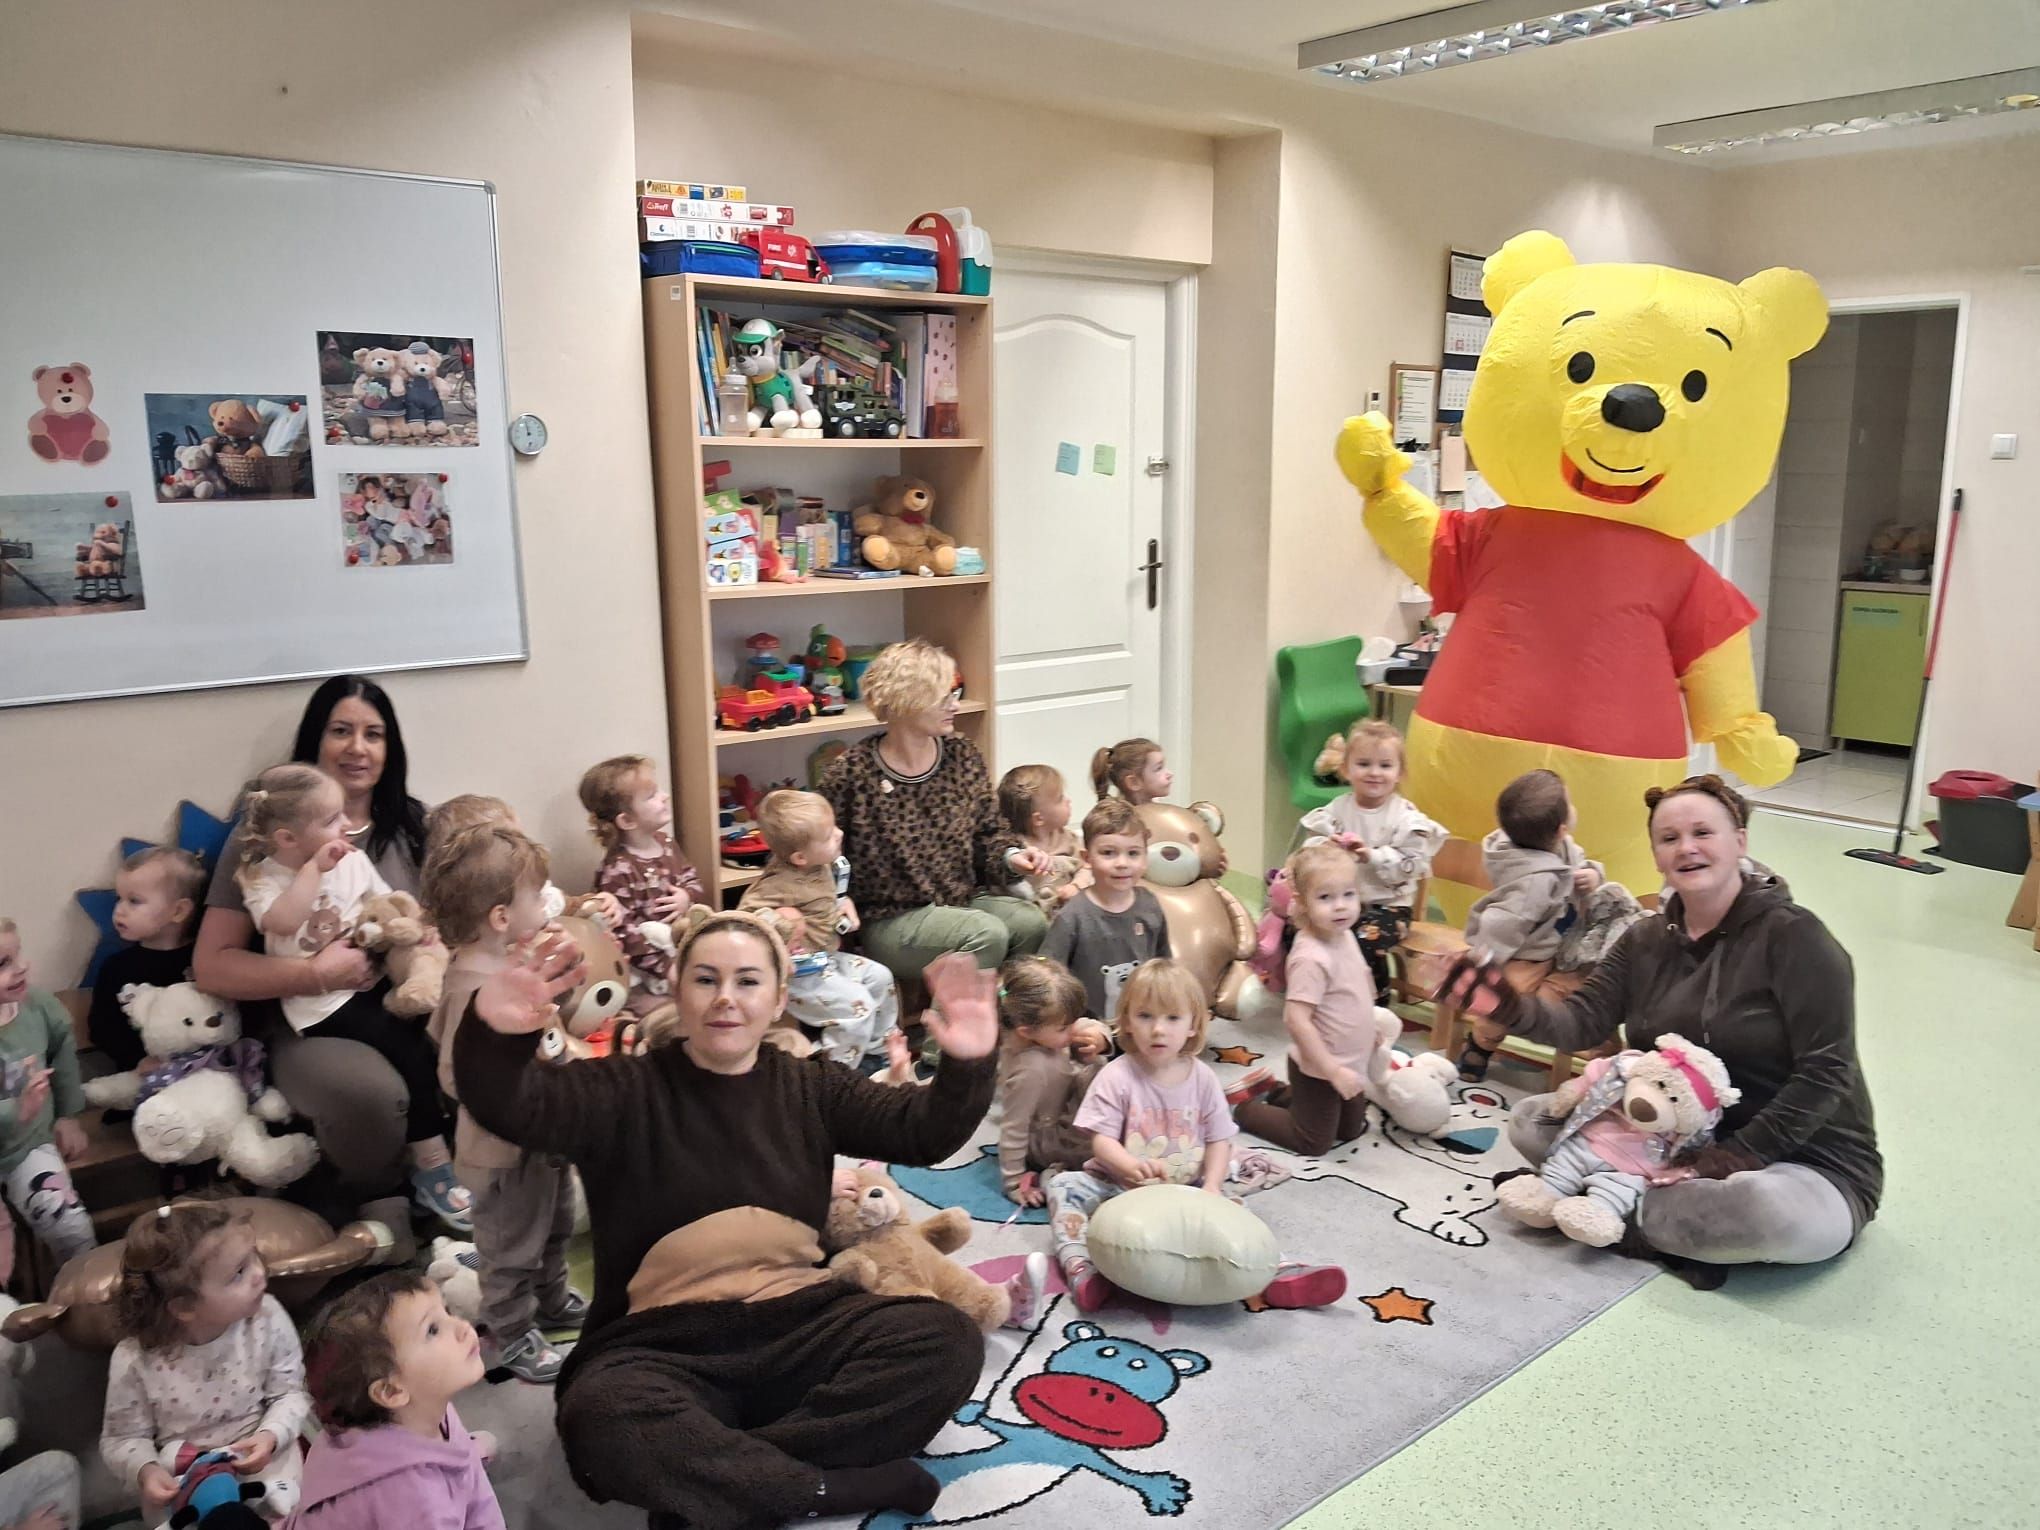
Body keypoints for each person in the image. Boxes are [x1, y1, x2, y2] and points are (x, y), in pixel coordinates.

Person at [452, 911, 1000, 1528]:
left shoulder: (811, 1085)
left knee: (946, 1340)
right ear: (678, 989)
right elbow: (513, 1104)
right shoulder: (620, 1089)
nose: (726, 999)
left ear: (779, 1000)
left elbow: (919, 1131)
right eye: (706, 979)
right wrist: (493, 1031)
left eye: (748, 981)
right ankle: (820, 1487)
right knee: (601, 1418)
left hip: (800, 1318)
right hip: (660, 1343)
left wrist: (968, 1064)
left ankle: (719, 1482)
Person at [1440, 775, 1881, 1267]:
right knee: (1531, 1121)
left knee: (1773, 1214)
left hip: (1802, 1156)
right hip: (1669, 1139)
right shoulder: (1644, 939)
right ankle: (1626, 1205)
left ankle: (1608, 1204)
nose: (1686, 848)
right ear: (1656, 857)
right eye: (1669, 838)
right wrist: (1506, 1007)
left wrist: (1727, 1159)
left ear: (1740, 841)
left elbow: (1827, 1073)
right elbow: (1581, 1022)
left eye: (1703, 833)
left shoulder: (1796, 937)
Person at [192, 675, 431, 1253]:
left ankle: (477, 1197)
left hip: (397, 997)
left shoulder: (411, 826)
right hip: (308, 1019)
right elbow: (213, 966)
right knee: (370, 1092)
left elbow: (436, 923)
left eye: (374, 734)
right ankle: (384, 1219)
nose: (358, 748)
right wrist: (315, 973)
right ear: (314, 741)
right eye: (341, 731)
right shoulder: (262, 843)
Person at [234, 765, 465, 1230]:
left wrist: (415, 928)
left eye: (343, 814)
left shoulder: (353, 860)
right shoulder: (260, 877)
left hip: (372, 979)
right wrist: (313, 870)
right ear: (286, 838)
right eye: (331, 820)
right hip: (319, 1007)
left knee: (436, 1032)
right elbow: (282, 922)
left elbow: (387, 902)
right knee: (405, 1046)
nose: (346, 825)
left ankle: (464, 1147)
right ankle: (432, 1163)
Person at [1046, 959, 1347, 1314]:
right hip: (1118, 1187)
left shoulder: (1202, 1078)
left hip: (1189, 1190)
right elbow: (1101, 1141)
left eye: (1173, 1018)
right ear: (1125, 1021)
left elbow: (1220, 1140)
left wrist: (1214, 1186)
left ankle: (1277, 1272)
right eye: (1145, 1016)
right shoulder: (1116, 1076)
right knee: (1063, 1186)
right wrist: (1128, 1165)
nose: (1158, 1030)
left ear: (1193, 1025)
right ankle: (1082, 1266)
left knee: (1236, 1215)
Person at [420, 823, 584, 1385]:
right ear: (500, 917)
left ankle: (553, 1301)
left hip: (543, 1139)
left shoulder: (505, 967)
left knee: (557, 1226)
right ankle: (511, 1333)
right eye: (536, 895)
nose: (546, 901)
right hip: (502, 1150)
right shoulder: (470, 986)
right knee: (511, 1247)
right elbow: (455, 1073)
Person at [820, 639, 1048, 979]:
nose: (955, 705)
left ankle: (1009, 1010)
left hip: (959, 902)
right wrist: (835, 899)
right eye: (944, 698)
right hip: (889, 919)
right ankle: (956, 1016)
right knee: (987, 934)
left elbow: (989, 832)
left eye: (955, 694)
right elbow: (817, 850)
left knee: (1031, 923)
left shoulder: (962, 754)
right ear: (907, 701)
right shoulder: (852, 773)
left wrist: (1011, 857)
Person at [101, 1202, 311, 1524]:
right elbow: (122, 1438)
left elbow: (290, 1393)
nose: (259, 1273)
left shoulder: (267, 1316)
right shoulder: (134, 1360)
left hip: (261, 1455)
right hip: (186, 1474)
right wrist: (146, 1470)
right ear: (184, 1307)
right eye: (238, 1273)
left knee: (291, 1512)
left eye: (254, 1256)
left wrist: (271, 1436)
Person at [290, 1271, 504, 1530]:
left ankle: (453, 1463)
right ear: (391, 1392)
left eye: (446, 1311)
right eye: (432, 1330)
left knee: (464, 1462)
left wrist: (464, 1464)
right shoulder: (416, 1501)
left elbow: (481, 1505)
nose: (462, 1327)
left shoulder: (425, 1404)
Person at [1457, 768, 1609, 1082]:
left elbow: (1579, 862)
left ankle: (1604, 1061)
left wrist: (1593, 874)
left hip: (1564, 945)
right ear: (1561, 828)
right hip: (1526, 955)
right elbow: (1501, 924)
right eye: (1570, 802)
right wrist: (1486, 965)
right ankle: (1479, 1045)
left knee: (1590, 992)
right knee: (1505, 1004)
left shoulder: (1558, 845)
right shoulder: (1532, 884)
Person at [1234, 843, 1383, 1155]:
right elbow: (1296, 1020)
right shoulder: (1310, 957)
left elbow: (1358, 983)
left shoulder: (1344, 935)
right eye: (1325, 897)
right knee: (1313, 1142)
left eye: (1348, 894)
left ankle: (1279, 1093)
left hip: (1350, 1060)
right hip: (1319, 1068)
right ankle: (1245, 1110)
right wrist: (1332, 1071)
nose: (1340, 906)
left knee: (1351, 1129)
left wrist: (1371, 1027)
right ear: (1301, 902)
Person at [737, 790, 899, 1067]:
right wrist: (780, 922)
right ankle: (830, 1071)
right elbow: (744, 920)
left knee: (880, 977)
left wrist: (842, 903)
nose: (839, 834)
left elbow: (825, 898)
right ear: (800, 857)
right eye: (828, 836)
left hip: (825, 958)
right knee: (856, 1006)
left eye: (834, 826)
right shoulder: (778, 883)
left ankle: (876, 1053)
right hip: (796, 974)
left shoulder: (820, 864)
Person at [1295, 719, 1444, 993]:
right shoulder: (1337, 809)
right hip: (1339, 901)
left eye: (1385, 765)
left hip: (1389, 907)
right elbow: (1310, 851)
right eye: (1363, 764)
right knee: (1302, 931)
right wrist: (1326, 846)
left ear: (1399, 773)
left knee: (1363, 940)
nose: (1374, 773)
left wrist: (1370, 856)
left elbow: (1411, 864)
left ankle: (1372, 1000)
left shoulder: (1405, 817)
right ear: (1346, 769)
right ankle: (1319, 993)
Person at [0, 917, 96, 1269]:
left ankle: (82, 1292)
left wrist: (68, 1116)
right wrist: (17, 1112)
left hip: (28, 1148)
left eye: (17, 954)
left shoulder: (37, 1006)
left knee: (72, 1228)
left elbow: (62, 1053)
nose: (21, 967)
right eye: (3, 963)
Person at [580, 755, 704, 1013]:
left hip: (680, 947)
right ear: (627, 820)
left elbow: (691, 877)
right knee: (663, 1013)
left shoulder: (666, 843)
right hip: (645, 969)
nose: (665, 796)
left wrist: (686, 896)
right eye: (651, 795)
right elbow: (625, 934)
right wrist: (665, 967)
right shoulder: (618, 870)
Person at [993, 956, 1111, 1208]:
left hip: (1069, 1112)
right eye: (1063, 1028)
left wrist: (1099, 1036)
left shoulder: (1050, 1028)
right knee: (1100, 1072)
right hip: (1048, 1141)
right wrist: (1014, 1182)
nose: (1074, 1029)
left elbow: (1087, 1024)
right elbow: (1014, 1128)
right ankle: (1062, 1173)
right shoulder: (1030, 1070)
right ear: (1026, 1031)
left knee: (1101, 1067)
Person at [1041, 799, 1173, 1022]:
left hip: (1141, 1022)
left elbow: (1163, 964)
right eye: (1108, 853)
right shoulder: (1072, 916)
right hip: (1088, 1027)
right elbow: (1049, 976)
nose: (1122, 863)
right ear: (1087, 859)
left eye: (1133, 853)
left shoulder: (1150, 905)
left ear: (1145, 858)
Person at [88, 847, 207, 1073]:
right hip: (142, 1080)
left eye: (134, 901)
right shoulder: (117, 967)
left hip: (205, 1075)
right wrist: (137, 1060)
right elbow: (102, 1029)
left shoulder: (202, 959)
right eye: (119, 899)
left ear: (178, 911)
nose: (119, 910)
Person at [996, 765, 1086, 915]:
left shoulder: (1069, 839)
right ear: (1039, 819)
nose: (1068, 801)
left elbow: (1087, 867)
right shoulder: (1019, 851)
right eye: (1060, 798)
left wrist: (1076, 886)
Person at [1090, 737, 1172, 806]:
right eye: (1159, 768)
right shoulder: (1128, 819)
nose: (1170, 774)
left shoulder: (1159, 813)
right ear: (1134, 782)